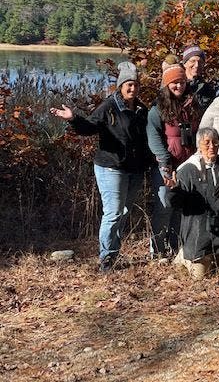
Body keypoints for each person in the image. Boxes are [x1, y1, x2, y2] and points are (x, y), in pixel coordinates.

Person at [49, 62, 152, 272]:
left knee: (123, 212)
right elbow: (90, 128)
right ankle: (106, 260)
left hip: (134, 170)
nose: (132, 89)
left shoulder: (142, 109)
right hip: (110, 167)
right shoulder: (109, 107)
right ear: (120, 86)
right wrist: (73, 119)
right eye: (128, 85)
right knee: (113, 212)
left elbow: (146, 140)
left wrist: (150, 163)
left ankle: (113, 254)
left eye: (135, 85)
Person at [165, 128, 219, 279]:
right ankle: (184, 257)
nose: (211, 146)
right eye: (206, 143)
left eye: (215, 142)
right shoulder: (187, 170)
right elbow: (173, 204)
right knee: (200, 278)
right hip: (198, 235)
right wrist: (173, 190)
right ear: (198, 145)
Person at [146, 63, 200, 258]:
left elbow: (197, 133)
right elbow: (154, 138)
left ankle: (176, 246)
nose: (179, 86)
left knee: (180, 208)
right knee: (164, 207)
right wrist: (165, 162)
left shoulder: (192, 105)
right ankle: (157, 250)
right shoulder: (157, 110)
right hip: (166, 167)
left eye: (182, 82)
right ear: (167, 84)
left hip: (187, 165)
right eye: (174, 83)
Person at [181, 46, 219, 110]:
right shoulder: (176, 85)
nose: (197, 65)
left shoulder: (207, 89)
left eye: (200, 62)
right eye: (193, 61)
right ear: (185, 64)